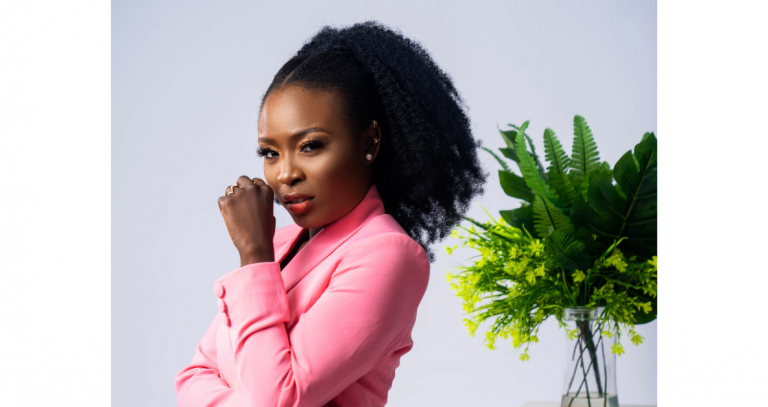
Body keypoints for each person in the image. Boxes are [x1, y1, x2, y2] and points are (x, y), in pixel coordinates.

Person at [175, 20, 487, 407]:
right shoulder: (281, 244)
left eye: (310, 146)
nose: (285, 173)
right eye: (270, 152)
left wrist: (253, 255)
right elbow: (194, 376)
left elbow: (276, 398)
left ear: (368, 143)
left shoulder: (388, 255)